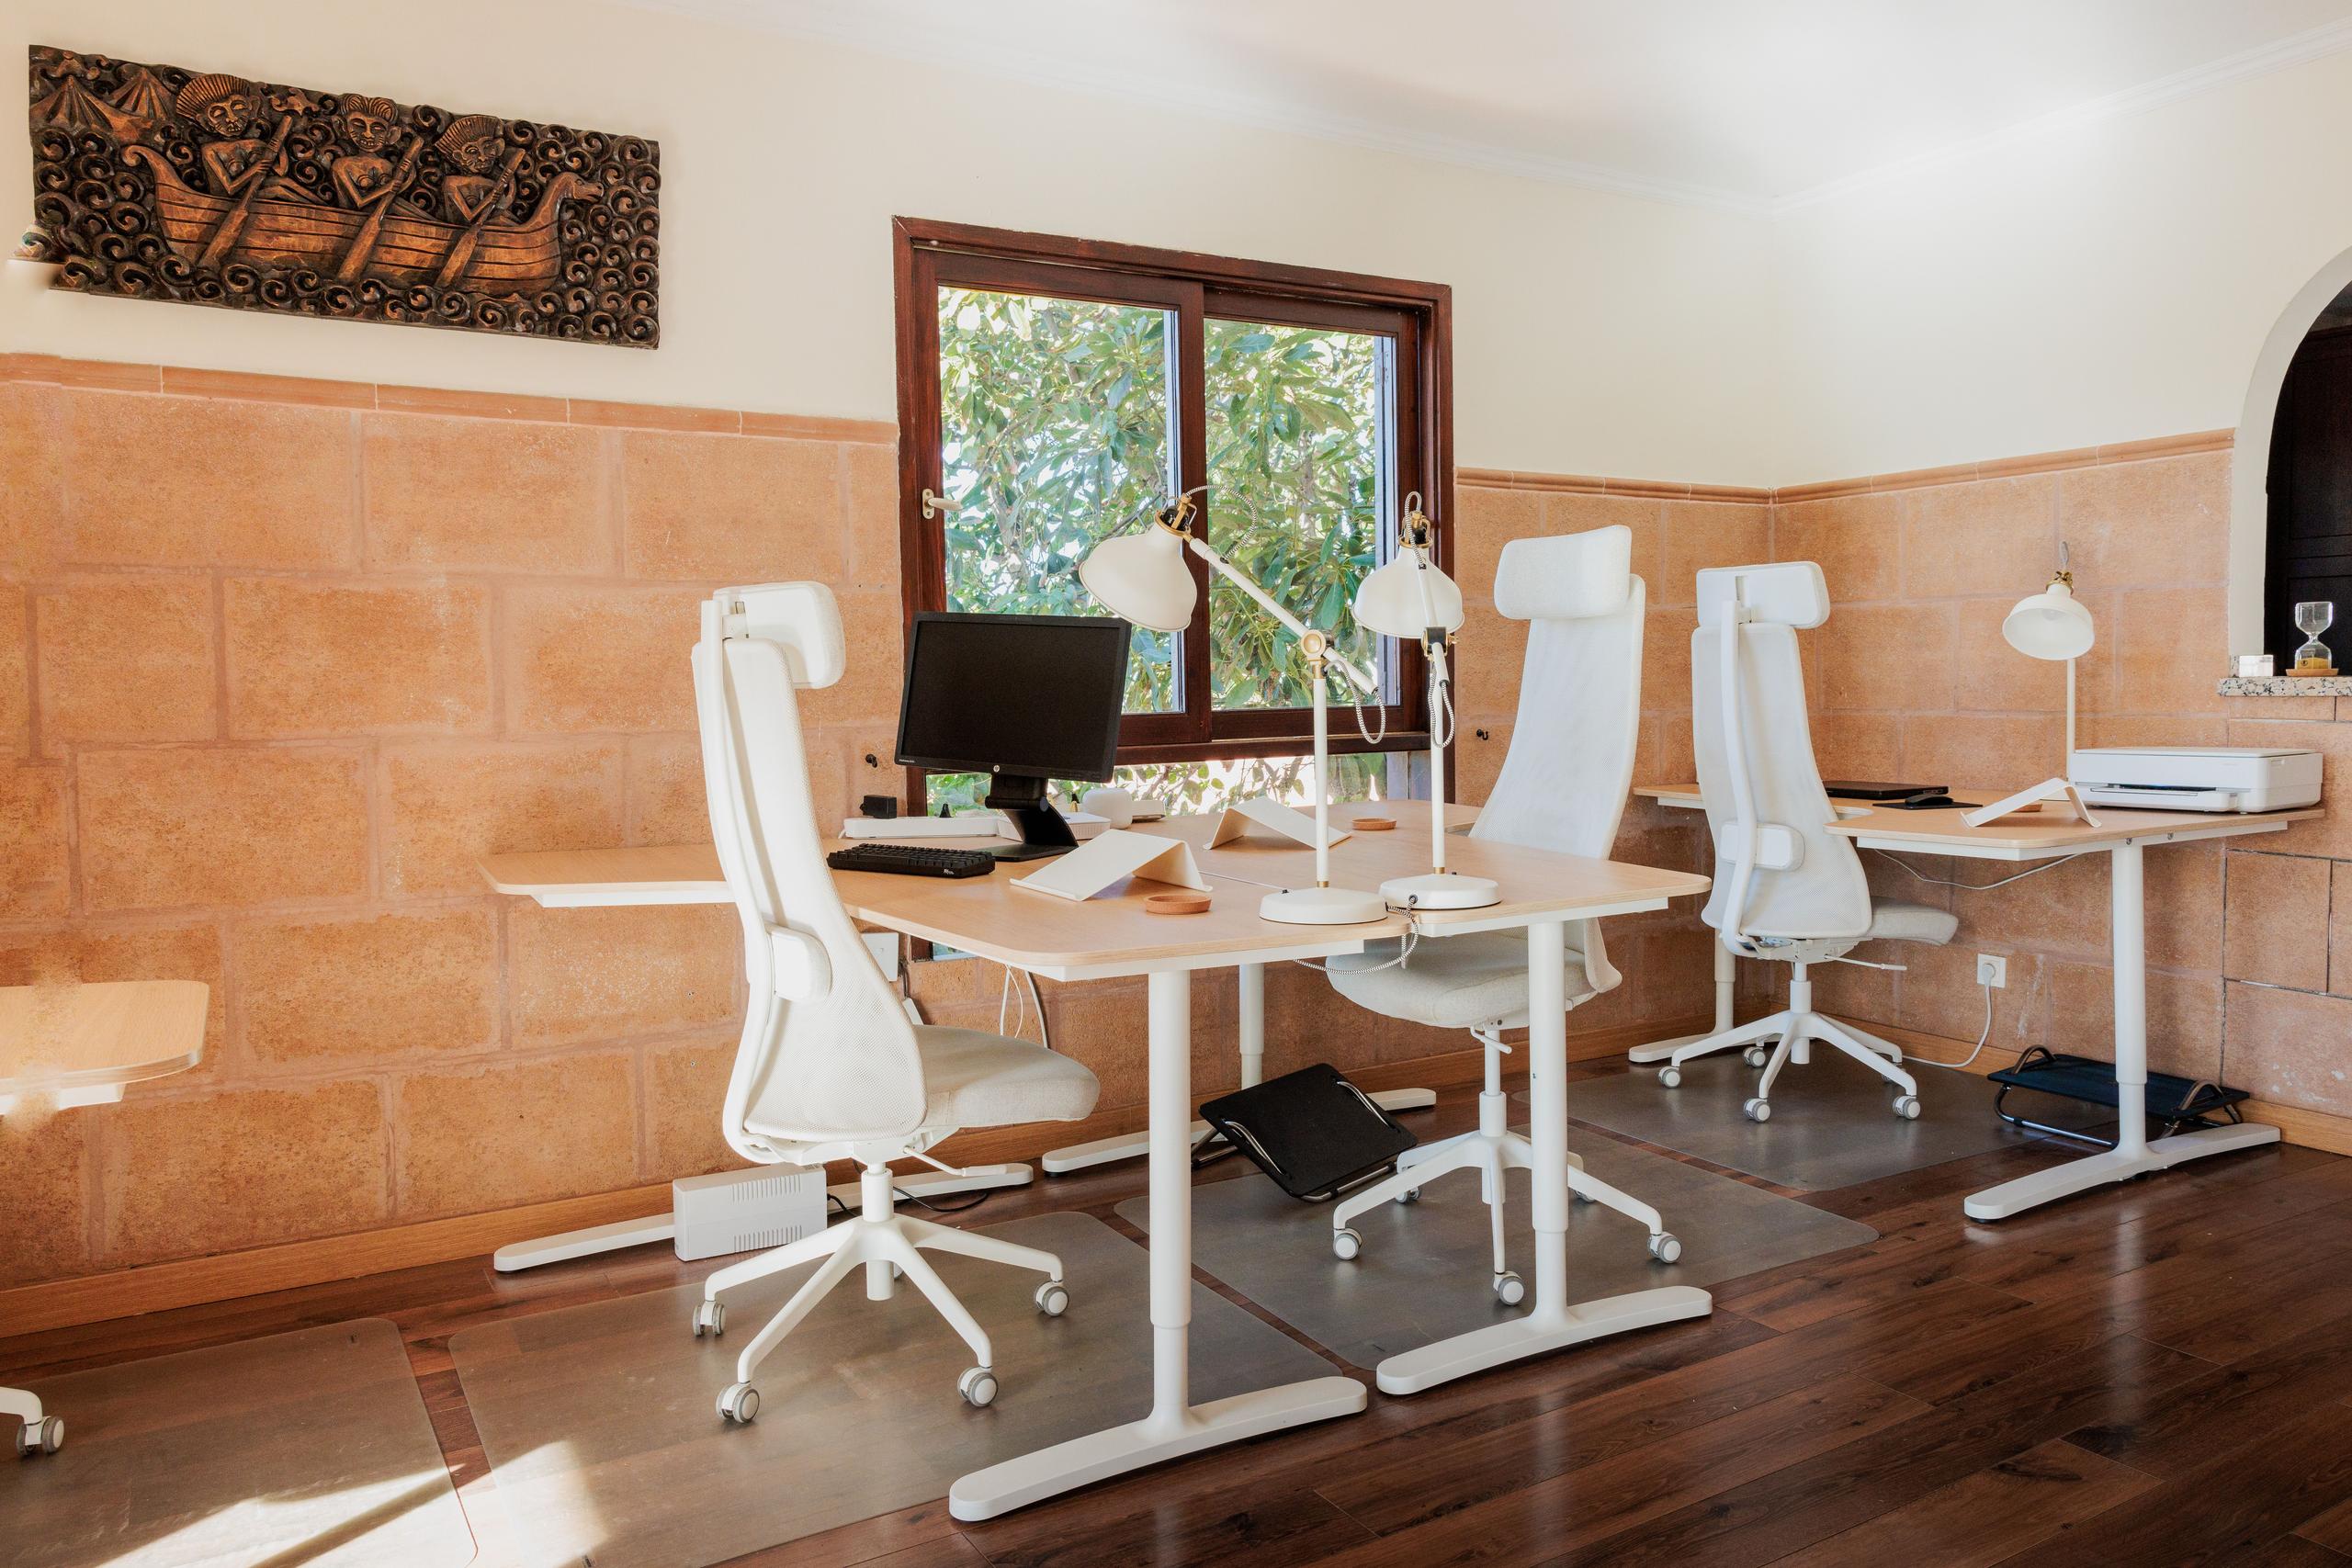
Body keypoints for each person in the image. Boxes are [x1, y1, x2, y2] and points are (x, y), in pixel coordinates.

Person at [173, 73, 307, 201]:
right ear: (206, 123)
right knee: (278, 190)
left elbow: (280, 171)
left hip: (249, 192)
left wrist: (280, 144)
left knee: (285, 182)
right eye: (219, 113)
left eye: (238, 107)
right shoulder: (209, 149)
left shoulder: (254, 142)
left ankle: (325, 211)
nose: (232, 118)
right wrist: (254, 169)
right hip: (226, 200)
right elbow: (230, 189)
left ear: (252, 107)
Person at [329, 95, 405, 209]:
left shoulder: (387, 165)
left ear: (391, 135)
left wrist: (409, 173)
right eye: (358, 126)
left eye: (377, 129)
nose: (367, 134)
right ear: (342, 127)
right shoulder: (341, 165)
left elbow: (393, 199)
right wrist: (387, 188)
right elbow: (359, 203)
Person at [435, 114, 512, 223]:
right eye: (472, 152)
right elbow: (467, 218)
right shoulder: (451, 182)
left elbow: (503, 207)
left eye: (487, 148)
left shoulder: (492, 183)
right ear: (458, 157)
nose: (483, 157)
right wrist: (489, 199)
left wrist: (511, 181)